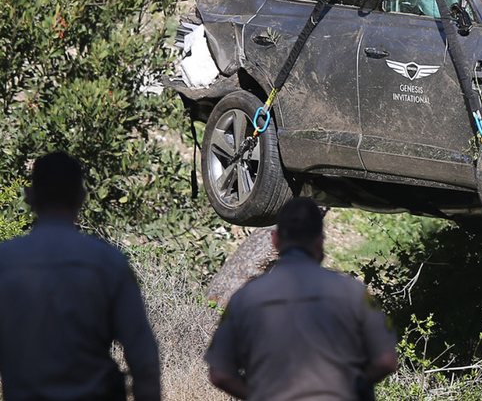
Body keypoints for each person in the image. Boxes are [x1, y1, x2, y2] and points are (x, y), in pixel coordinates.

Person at [0, 152, 161, 401]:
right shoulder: (107, 262)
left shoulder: (6, 260)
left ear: (29, 197)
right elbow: (143, 357)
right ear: (81, 198)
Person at [206, 197, 398, 400]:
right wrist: (355, 387)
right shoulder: (353, 292)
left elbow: (220, 374)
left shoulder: (245, 298)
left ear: (275, 240)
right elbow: (386, 361)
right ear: (320, 240)